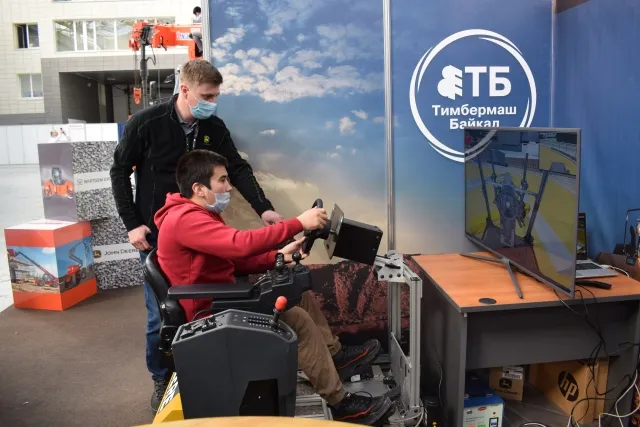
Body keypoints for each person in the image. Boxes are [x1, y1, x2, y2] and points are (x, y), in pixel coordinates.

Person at [154, 149, 394, 425]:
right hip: (209, 312)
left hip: (221, 298)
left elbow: (231, 260)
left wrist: (278, 257)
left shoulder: (197, 214)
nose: (229, 187)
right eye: (222, 180)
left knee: (298, 294)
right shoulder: (185, 219)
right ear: (199, 188)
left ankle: (336, 357)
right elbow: (239, 244)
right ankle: (343, 404)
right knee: (297, 321)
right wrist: (298, 223)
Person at [110, 59, 285, 412]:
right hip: (156, 234)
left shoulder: (213, 127)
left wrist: (264, 209)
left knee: (202, 305)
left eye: (216, 96)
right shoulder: (147, 123)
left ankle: (204, 371)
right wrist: (132, 223)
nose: (213, 103)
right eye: (207, 96)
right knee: (162, 313)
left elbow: (237, 168)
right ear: (185, 89)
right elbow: (119, 171)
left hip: (199, 231)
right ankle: (163, 378)